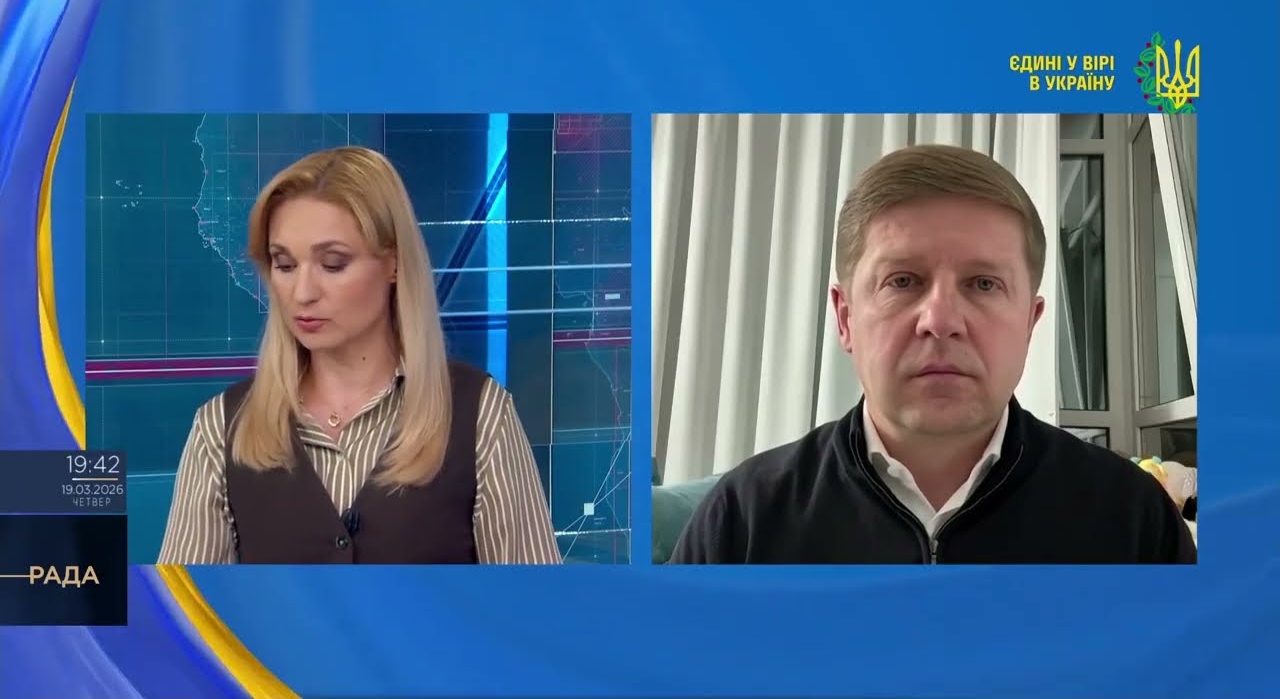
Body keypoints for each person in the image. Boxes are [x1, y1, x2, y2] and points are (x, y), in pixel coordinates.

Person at [669, 144, 1197, 565]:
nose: (941, 320)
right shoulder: (742, 522)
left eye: (984, 283)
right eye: (903, 281)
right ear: (846, 318)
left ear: (1030, 323)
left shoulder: (1133, 521)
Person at [158, 147, 561, 564]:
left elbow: (534, 600)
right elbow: (180, 603)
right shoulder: (220, 428)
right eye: (285, 265)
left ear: (394, 262)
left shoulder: (481, 415)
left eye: (333, 264)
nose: (302, 293)